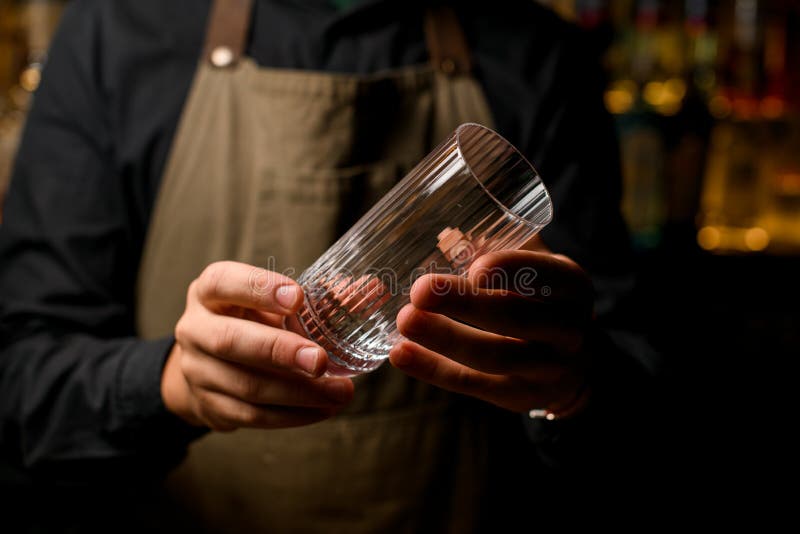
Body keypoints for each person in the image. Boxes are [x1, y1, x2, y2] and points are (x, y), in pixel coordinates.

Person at [0, 0, 664, 531]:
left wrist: (574, 385)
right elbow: (23, 392)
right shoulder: (116, 31)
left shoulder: (535, 53)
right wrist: (169, 384)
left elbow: (646, 416)